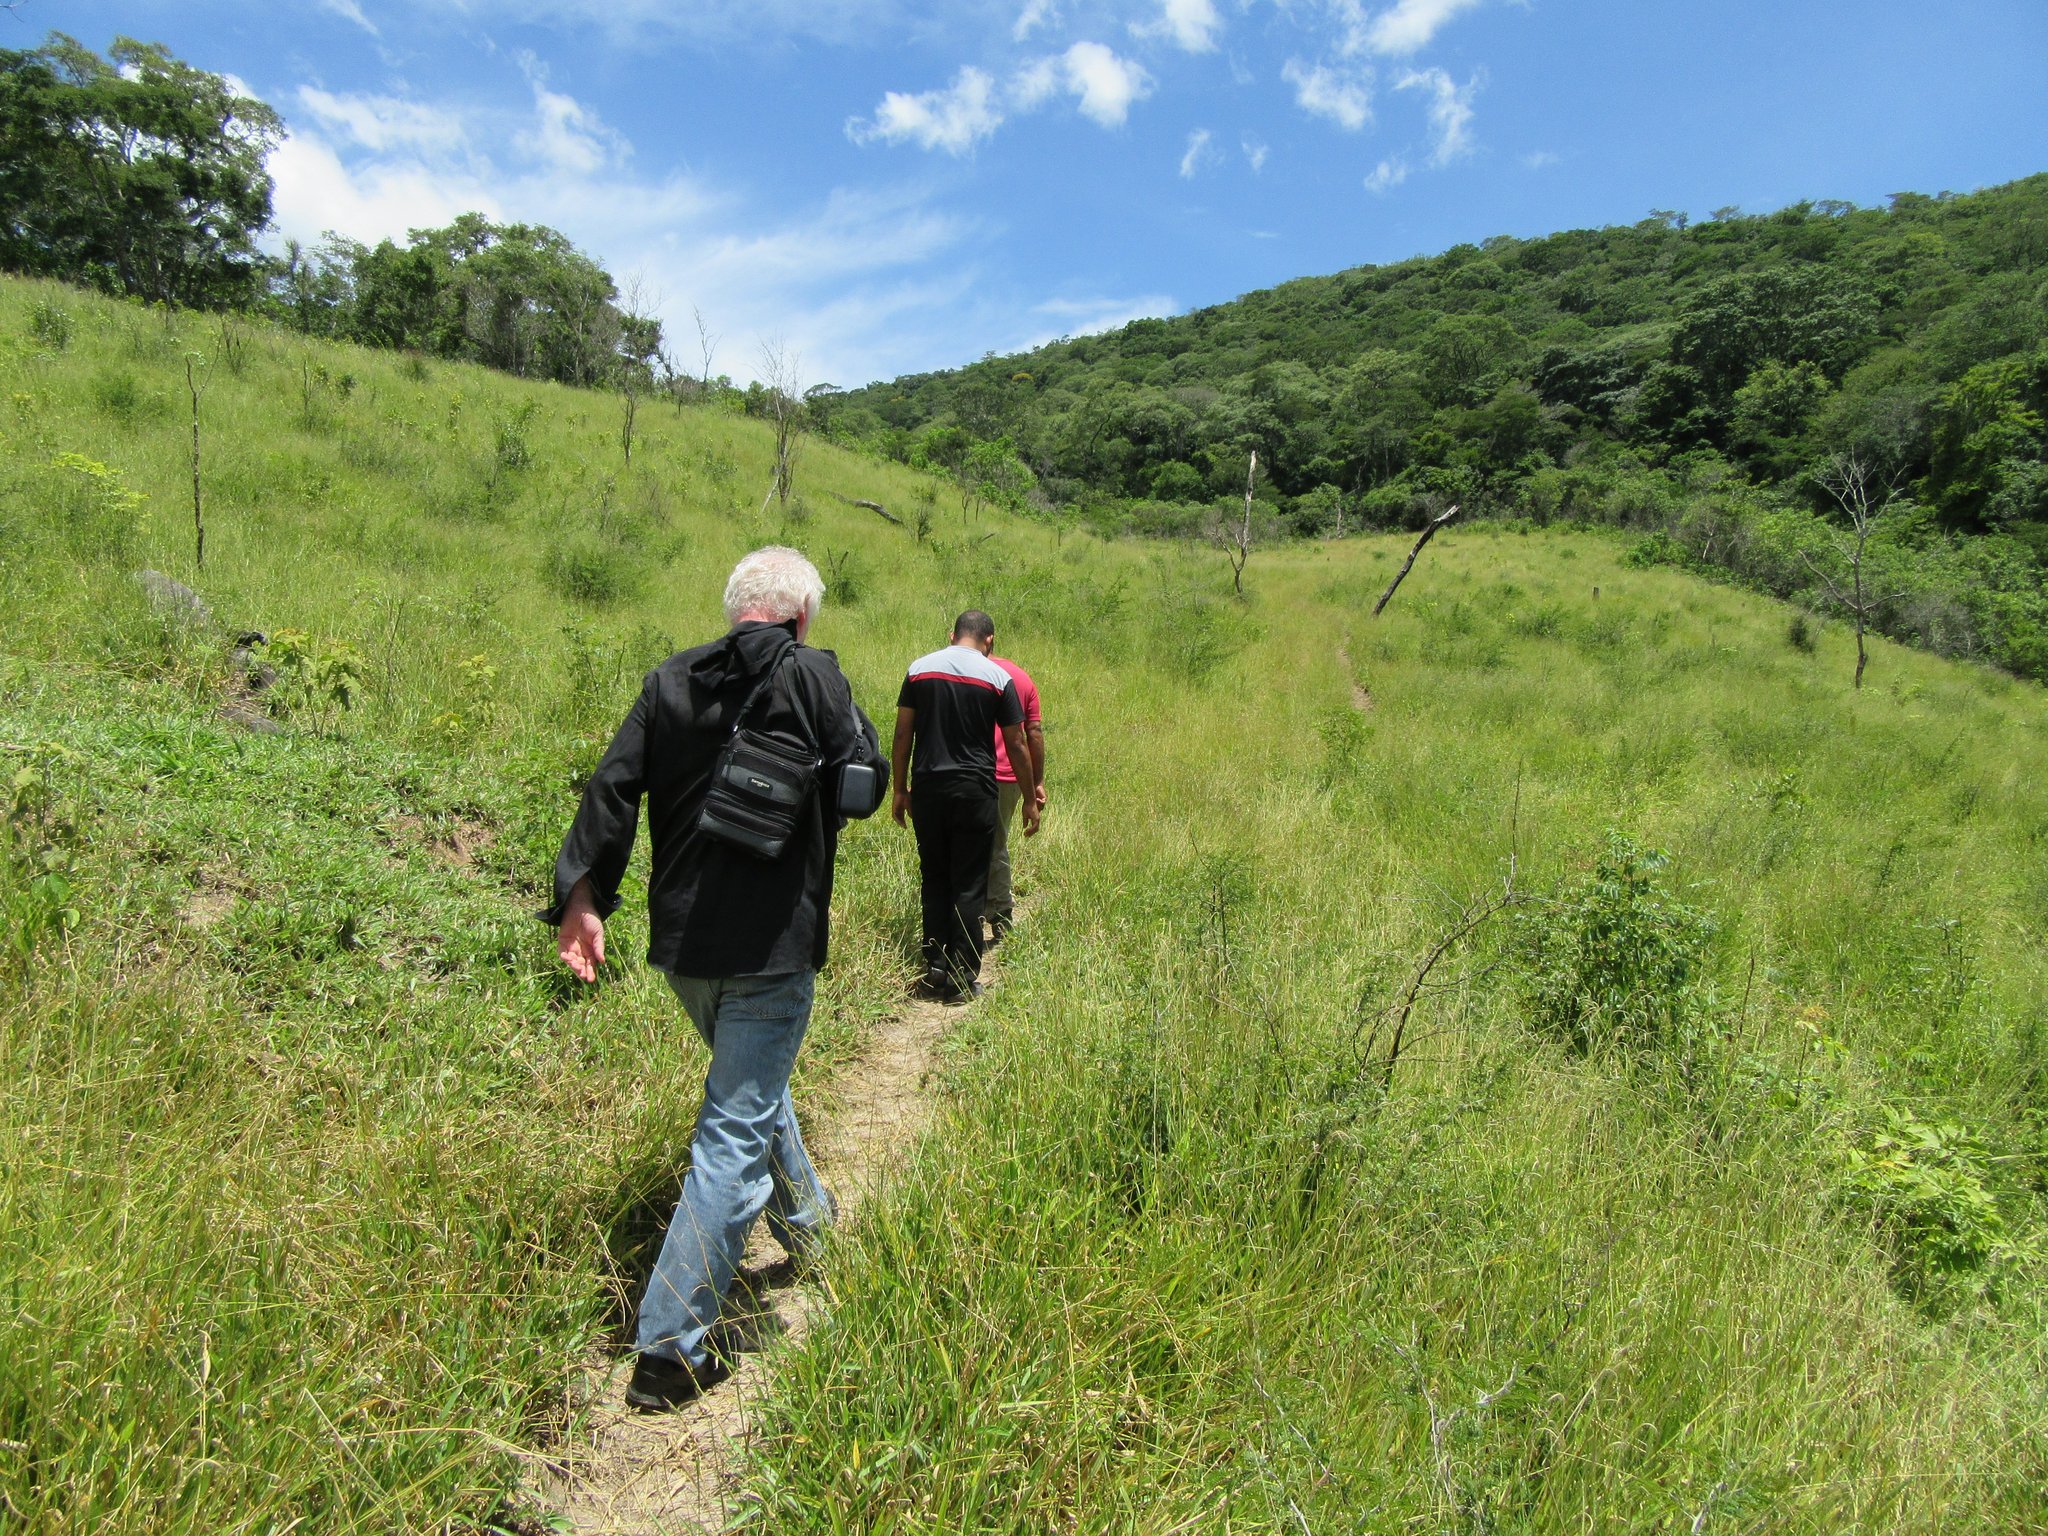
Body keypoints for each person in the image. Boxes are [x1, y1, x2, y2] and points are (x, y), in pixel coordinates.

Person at [544, 546, 887, 1411]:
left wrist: (583, 895)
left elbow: (612, 790)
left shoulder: (670, 680)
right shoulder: (815, 676)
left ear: (735, 608)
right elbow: (863, 788)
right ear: (801, 615)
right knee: (732, 1134)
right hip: (771, 949)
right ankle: (670, 1348)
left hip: (684, 952)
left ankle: (810, 1230)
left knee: (750, 1094)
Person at [891, 610, 1039, 1002]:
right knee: (970, 882)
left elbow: (904, 731)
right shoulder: (997, 678)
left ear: (952, 634)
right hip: (974, 792)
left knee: (935, 877)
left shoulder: (919, 669)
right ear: (989, 640)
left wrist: (899, 788)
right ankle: (961, 979)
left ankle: (935, 967)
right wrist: (1029, 798)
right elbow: (1017, 742)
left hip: (928, 789)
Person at [983, 636, 1045, 947]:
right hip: (1009, 776)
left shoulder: (968, 672)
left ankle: (997, 910)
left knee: (980, 842)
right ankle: (997, 912)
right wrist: (1034, 783)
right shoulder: (1021, 677)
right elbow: (1032, 733)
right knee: (996, 842)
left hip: (971, 771)